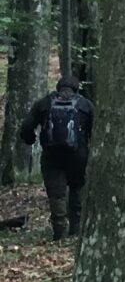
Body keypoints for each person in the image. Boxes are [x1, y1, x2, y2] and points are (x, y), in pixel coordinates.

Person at [19, 78, 93, 241]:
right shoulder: (85, 104)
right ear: (76, 89)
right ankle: (76, 229)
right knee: (77, 188)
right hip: (78, 155)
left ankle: (59, 231)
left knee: (56, 193)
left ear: (58, 87)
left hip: (52, 155)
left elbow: (26, 126)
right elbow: (95, 129)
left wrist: (29, 139)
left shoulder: (44, 103)